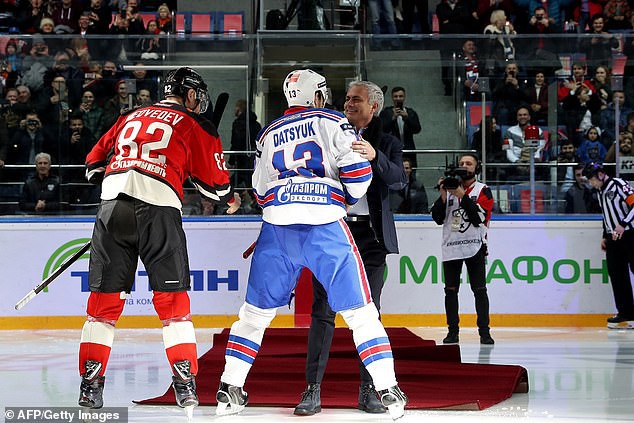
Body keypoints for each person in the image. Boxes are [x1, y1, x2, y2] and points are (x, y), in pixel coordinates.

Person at [215, 70, 408, 420]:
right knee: (361, 314)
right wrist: (341, 197)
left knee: (253, 316)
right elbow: (358, 176)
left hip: (276, 229)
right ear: (318, 95)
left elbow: (258, 190)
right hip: (324, 226)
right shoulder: (334, 120)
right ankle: (387, 388)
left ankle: (230, 387)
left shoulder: (268, 131)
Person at [78, 67, 241, 410]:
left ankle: (90, 388)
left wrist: (122, 191)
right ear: (190, 93)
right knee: (173, 308)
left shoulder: (130, 115)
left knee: (102, 310)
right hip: (159, 211)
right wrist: (229, 200)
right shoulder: (196, 124)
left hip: (111, 209)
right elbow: (216, 186)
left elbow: (93, 164)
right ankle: (185, 387)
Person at [294, 79, 407, 416]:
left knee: (369, 315)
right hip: (331, 235)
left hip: (371, 240)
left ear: (374, 106)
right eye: (346, 98)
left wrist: (376, 158)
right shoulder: (327, 133)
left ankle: (370, 390)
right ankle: (312, 390)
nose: (348, 103)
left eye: (356, 99)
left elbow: (400, 180)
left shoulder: (387, 142)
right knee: (322, 312)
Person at [430, 152, 495, 345]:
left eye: (469, 163)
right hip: (451, 247)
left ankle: (484, 332)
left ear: (477, 167)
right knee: (450, 291)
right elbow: (437, 218)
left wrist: (462, 195)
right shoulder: (449, 190)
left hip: (474, 246)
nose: (464, 166)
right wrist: (443, 196)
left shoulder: (483, 190)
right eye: (461, 163)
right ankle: (452, 331)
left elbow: (480, 217)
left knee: (480, 290)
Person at [583, 163, 634, 329]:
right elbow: (606, 216)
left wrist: (623, 224)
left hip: (631, 234)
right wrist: (605, 236)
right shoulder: (600, 191)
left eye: (591, 179)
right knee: (617, 275)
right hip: (614, 238)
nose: (591, 183)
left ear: (600, 174)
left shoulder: (619, 184)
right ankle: (626, 313)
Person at [379, 86, 421, 166]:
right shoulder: (386, 113)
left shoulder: (411, 113)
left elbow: (417, 129)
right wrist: (393, 118)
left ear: (404, 97)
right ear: (392, 98)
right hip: (392, 150)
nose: (398, 98)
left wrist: (407, 118)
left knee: (411, 175)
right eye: (395, 96)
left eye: (400, 96)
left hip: (409, 150)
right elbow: (382, 130)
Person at [228, 99, 262, 189]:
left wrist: (231, 160)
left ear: (239, 109)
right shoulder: (256, 125)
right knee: (249, 182)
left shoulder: (238, 124)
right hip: (253, 158)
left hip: (242, 159)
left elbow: (236, 142)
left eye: (236, 107)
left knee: (234, 182)